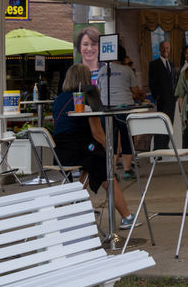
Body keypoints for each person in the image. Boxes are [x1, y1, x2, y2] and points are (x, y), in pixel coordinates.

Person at [51, 63, 134, 229]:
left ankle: (76, 203)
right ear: (86, 79)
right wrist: (109, 149)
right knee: (103, 166)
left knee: (98, 164)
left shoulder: (59, 99)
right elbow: (97, 133)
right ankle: (126, 217)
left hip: (60, 152)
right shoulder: (89, 96)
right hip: (80, 149)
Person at [99, 45, 142, 179]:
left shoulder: (101, 71)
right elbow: (135, 91)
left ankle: (112, 172)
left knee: (110, 142)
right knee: (126, 140)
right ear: (123, 56)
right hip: (125, 109)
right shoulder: (127, 70)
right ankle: (127, 171)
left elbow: (100, 90)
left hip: (106, 110)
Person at [148, 40, 177, 148]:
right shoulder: (154, 64)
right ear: (159, 49)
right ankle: (158, 147)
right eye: (163, 48)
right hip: (162, 100)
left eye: (168, 48)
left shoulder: (171, 64)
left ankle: (165, 145)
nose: (166, 50)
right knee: (160, 123)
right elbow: (151, 82)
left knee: (170, 122)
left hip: (172, 99)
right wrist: (157, 96)